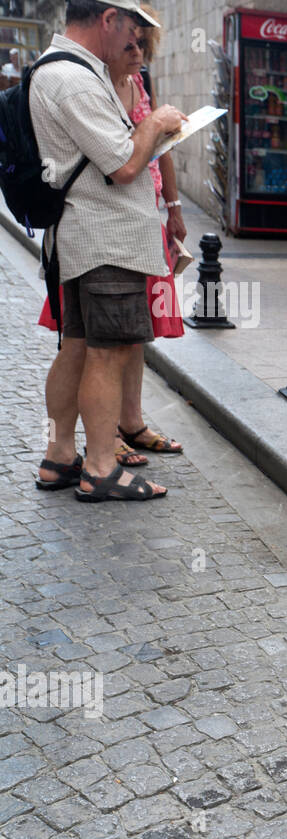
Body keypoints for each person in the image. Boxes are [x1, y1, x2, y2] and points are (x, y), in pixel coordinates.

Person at [30, 0, 184, 502]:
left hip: (87, 239)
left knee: (76, 348)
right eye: (131, 27)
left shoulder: (68, 70)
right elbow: (122, 165)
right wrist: (156, 122)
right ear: (107, 18)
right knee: (107, 353)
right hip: (104, 240)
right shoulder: (73, 78)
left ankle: (58, 457)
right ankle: (99, 467)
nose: (134, 39)